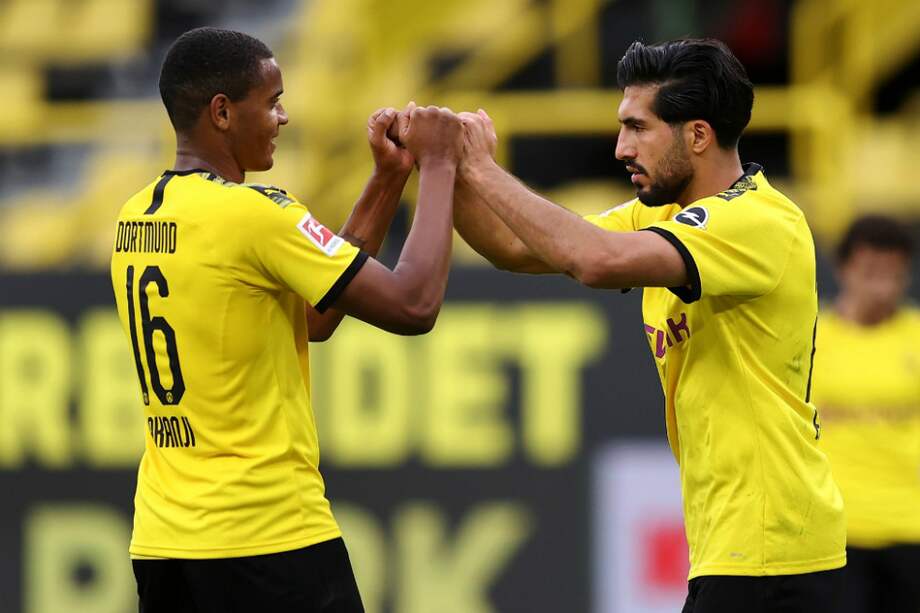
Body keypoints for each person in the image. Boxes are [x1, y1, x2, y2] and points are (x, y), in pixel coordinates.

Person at [453, 38, 846, 611]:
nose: (620, 148)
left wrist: (482, 167)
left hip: (773, 550)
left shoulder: (759, 221)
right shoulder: (660, 215)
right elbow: (513, 246)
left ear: (697, 135)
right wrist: (447, 169)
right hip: (740, 548)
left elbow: (596, 260)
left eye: (638, 127)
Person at [110, 27, 462, 613]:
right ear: (222, 112)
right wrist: (442, 162)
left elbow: (315, 318)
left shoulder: (134, 216)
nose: (284, 117)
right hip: (267, 532)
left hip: (163, 541)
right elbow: (413, 304)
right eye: (271, 102)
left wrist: (388, 179)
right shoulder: (251, 214)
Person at [810, 215, 920, 613]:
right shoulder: (809, 338)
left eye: (894, 275)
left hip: (911, 526)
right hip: (838, 533)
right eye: (871, 272)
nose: (883, 287)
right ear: (843, 269)